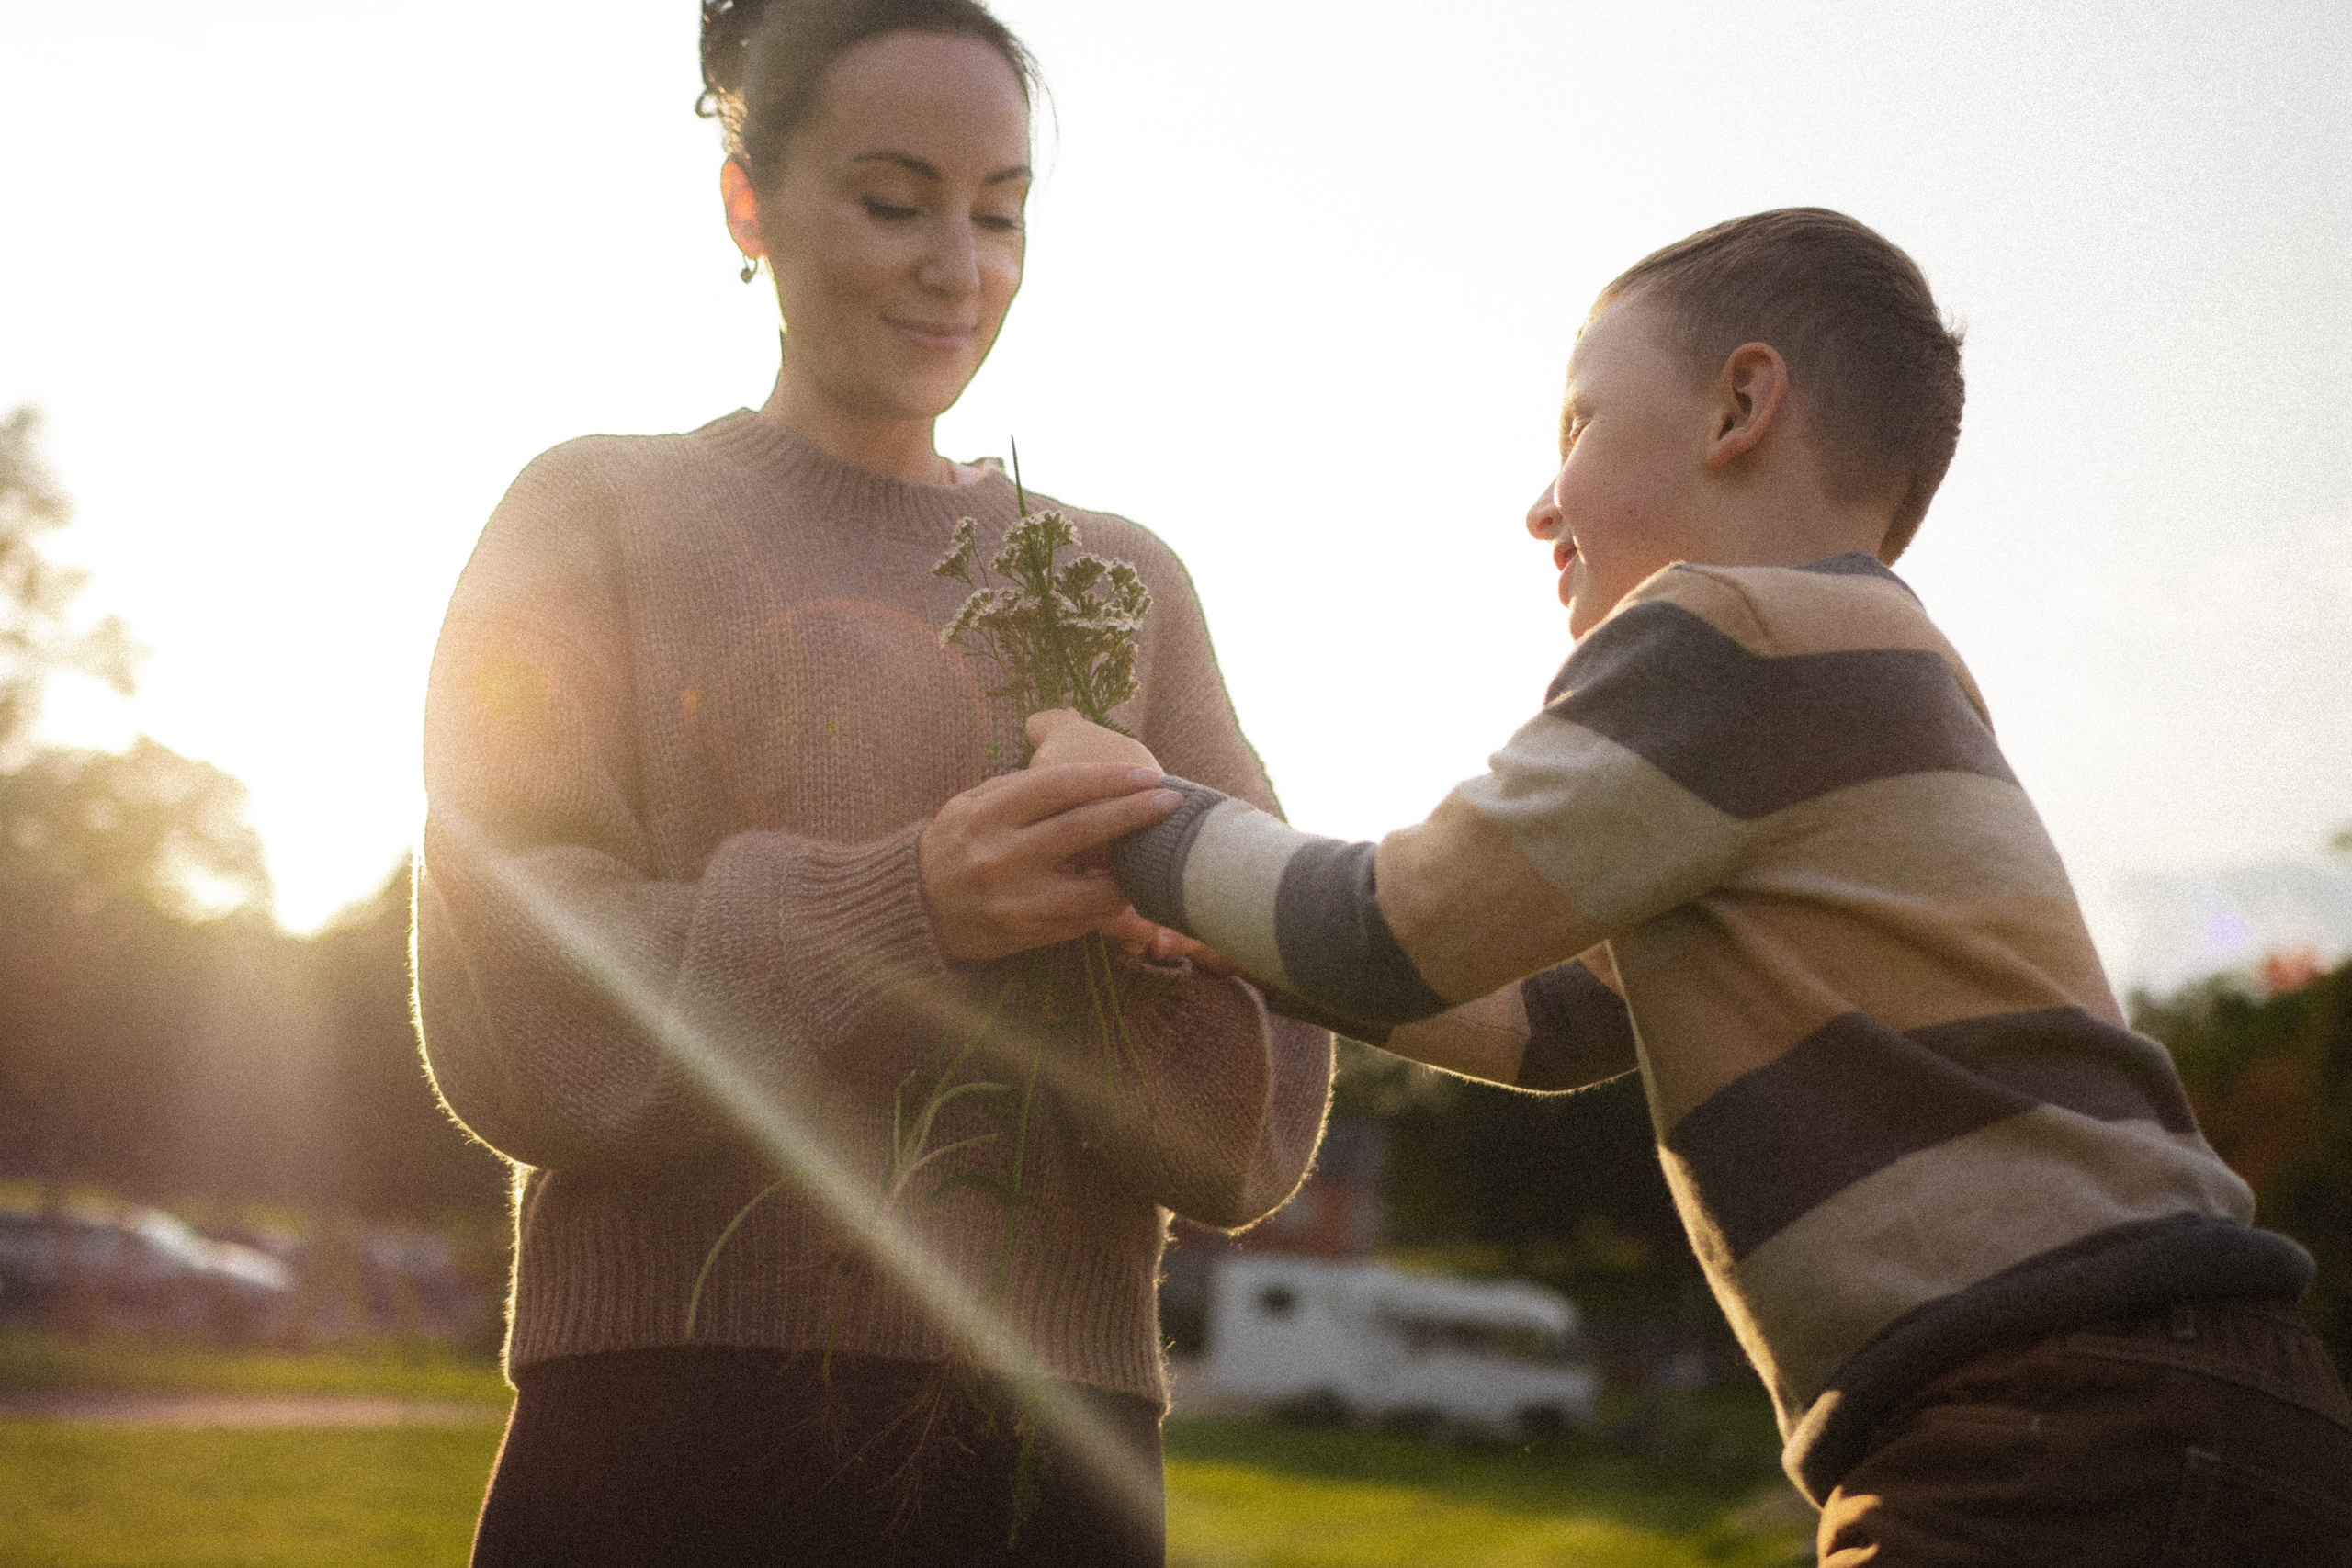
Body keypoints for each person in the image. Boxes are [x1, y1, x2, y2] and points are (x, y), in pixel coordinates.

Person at [1029, 209, 2352, 1564]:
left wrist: (1133, 810)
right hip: (2212, 1386)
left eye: (1578, 427)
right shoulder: (1879, 672)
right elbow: (1552, 1022)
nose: (1541, 502)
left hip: (2047, 1409)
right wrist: (1226, 943)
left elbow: (1386, 930)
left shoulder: (1735, 631)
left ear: (1741, 404)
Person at [412, 3, 1331, 1562]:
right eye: (896, 202)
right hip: (668, 1437)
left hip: (1049, 1463)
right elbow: (525, 1021)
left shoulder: (1123, 588)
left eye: (1001, 213)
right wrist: (908, 911)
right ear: (746, 202)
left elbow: (1259, 1121)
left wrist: (1154, 950)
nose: (956, 266)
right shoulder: (594, 516)